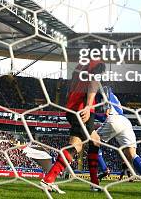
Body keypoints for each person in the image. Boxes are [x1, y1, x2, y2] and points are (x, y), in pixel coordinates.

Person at [40, 51, 105, 193]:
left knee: (95, 140)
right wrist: (88, 106)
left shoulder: (80, 65)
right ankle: (48, 179)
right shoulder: (97, 63)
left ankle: (95, 182)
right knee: (77, 145)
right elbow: (93, 83)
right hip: (83, 109)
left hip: (71, 107)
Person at [94, 86, 141, 191]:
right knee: (131, 154)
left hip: (114, 120)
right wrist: (95, 115)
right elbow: (104, 117)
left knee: (93, 143)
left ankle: (104, 170)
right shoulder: (114, 98)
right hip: (124, 122)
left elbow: (106, 89)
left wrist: (100, 110)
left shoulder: (104, 91)